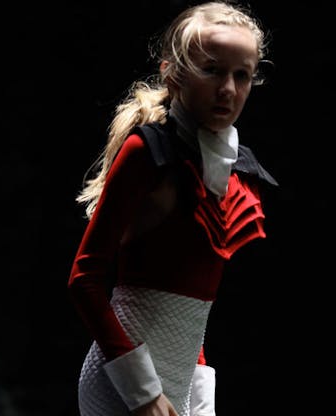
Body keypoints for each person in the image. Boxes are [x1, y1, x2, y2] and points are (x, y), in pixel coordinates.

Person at [67, 1, 278, 415]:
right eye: (212, 70)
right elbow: (84, 279)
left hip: (179, 382)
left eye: (242, 76)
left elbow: (188, 314)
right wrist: (141, 390)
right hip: (120, 382)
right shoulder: (148, 152)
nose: (228, 90)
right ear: (172, 71)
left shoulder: (235, 168)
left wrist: (199, 398)